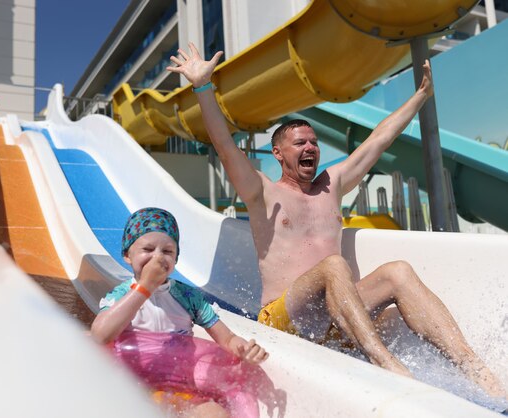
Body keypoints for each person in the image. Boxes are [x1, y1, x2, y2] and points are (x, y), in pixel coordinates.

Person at [167, 42, 507, 398]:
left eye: (314, 142)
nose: (310, 148)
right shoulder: (261, 192)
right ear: (278, 153)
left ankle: (476, 370)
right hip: (285, 319)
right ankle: (387, 365)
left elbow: (379, 140)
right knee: (333, 266)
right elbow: (224, 145)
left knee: (398, 272)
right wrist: (203, 87)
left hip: (338, 318)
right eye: (300, 143)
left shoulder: (332, 185)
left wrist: (421, 96)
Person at [90, 207, 269, 418]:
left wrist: (243, 349)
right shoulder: (120, 296)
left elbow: (226, 338)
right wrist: (146, 286)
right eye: (148, 249)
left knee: (216, 414)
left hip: (180, 389)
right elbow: (100, 335)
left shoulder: (188, 297)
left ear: (176, 258)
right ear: (127, 255)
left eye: (167, 251)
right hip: (134, 390)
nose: (158, 258)